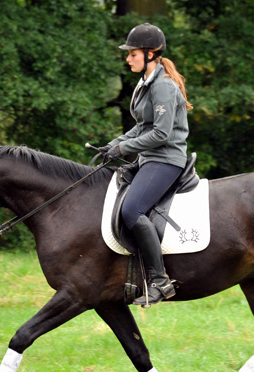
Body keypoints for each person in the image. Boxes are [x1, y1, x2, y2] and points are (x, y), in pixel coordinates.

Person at [101, 23, 193, 307]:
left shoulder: (163, 86)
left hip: (166, 159)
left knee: (132, 210)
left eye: (132, 54)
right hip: (150, 158)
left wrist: (124, 148)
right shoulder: (146, 83)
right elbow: (142, 127)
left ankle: (160, 281)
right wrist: (112, 144)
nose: (128, 58)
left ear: (150, 53)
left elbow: (161, 134)